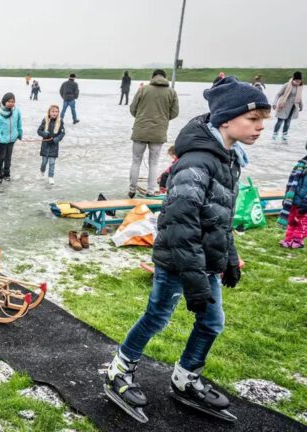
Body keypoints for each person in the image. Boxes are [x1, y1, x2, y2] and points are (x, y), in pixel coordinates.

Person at [103, 77, 271, 423]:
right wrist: (194, 279)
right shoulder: (197, 163)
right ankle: (119, 369)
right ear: (227, 119)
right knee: (158, 317)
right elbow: (181, 226)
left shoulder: (227, 158)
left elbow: (219, 216)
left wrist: (227, 256)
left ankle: (186, 377)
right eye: (254, 120)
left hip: (204, 260)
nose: (260, 127)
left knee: (211, 323)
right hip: (178, 260)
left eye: (263, 120)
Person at [128, 69, 179, 197]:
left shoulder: (143, 89)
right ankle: (151, 190)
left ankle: (132, 189)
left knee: (136, 161)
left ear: (153, 77)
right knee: (154, 162)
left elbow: (133, 109)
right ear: (165, 77)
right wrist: (162, 119)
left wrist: (140, 116)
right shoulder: (171, 92)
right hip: (159, 132)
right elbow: (174, 112)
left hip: (140, 130)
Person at [0, 92, 23, 184]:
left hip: (11, 139)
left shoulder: (16, 111)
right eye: (9, 101)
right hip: (1, 139)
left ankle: (6, 174)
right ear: (4, 101)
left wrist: (19, 134)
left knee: (8, 157)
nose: (11, 103)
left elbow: (19, 124)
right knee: (1, 157)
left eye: (13, 101)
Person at [277, 142, 307, 248]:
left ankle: (297, 240)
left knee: (302, 222)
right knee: (292, 220)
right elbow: (291, 183)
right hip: (294, 199)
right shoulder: (301, 164)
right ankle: (288, 239)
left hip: (304, 202)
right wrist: (287, 197)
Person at [37, 104, 66, 185]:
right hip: (45, 146)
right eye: (53, 111)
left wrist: (55, 140)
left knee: (52, 162)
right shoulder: (45, 120)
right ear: (49, 112)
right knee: (44, 162)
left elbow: (62, 133)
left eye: (56, 112)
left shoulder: (60, 121)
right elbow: (39, 131)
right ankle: (42, 170)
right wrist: (45, 135)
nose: (55, 113)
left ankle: (51, 177)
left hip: (54, 146)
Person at [272, 71, 303, 142]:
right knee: (280, 121)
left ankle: (284, 135)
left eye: (299, 80)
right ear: (294, 79)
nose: (298, 82)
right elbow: (278, 94)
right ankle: (275, 134)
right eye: (297, 80)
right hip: (283, 105)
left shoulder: (300, 87)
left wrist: (301, 105)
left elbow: (299, 97)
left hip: (293, 106)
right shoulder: (287, 85)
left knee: (288, 121)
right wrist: (274, 103)